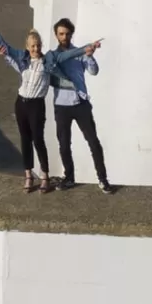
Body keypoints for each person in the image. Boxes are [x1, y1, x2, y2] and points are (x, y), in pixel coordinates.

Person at [0, 13, 86, 194]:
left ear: (41, 46)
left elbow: (68, 54)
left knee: (38, 140)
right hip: (21, 103)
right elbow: (2, 44)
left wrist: (86, 49)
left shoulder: (48, 60)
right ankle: (28, 175)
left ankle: (44, 176)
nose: (35, 49)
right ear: (27, 47)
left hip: (37, 105)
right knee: (25, 140)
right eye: (32, 46)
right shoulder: (23, 58)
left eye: (38, 46)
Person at [49, 18, 113, 193]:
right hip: (61, 104)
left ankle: (102, 178)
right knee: (63, 144)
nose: (64, 36)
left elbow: (93, 71)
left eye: (67, 33)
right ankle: (69, 178)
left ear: (71, 34)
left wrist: (90, 56)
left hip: (80, 103)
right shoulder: (53, 56)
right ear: (56, 35)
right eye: (61, 33)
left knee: (93, 141)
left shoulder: (80, 53)